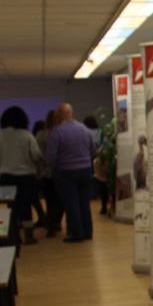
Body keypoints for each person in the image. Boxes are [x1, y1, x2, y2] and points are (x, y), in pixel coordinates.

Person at [45, 103, 96, 243]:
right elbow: (93, 150)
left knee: (71, 203)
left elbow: (51, 156)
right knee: (84, 202)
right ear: (72, 113)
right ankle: (87, 232)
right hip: (85, 169)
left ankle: (76, 233)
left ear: (59, 115)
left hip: (65, 172)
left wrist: (54, 168)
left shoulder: (57, 132)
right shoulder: (84, 129)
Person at [0, 106, 43, 245]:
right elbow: (36, 155)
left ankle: (14, 237)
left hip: (6, 177)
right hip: (26, 177)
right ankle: (29, 237)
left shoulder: (0, 136)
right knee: (26, 207)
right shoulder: (27, 135)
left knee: (12, 208)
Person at [36, 111, 63, 236]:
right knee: (60, 200)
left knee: (50, 200)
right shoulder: (61, 133)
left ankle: (51, 226)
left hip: (45, 173)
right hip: (59, 171)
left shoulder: (40, 135)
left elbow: (37, 155)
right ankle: (57, 223)